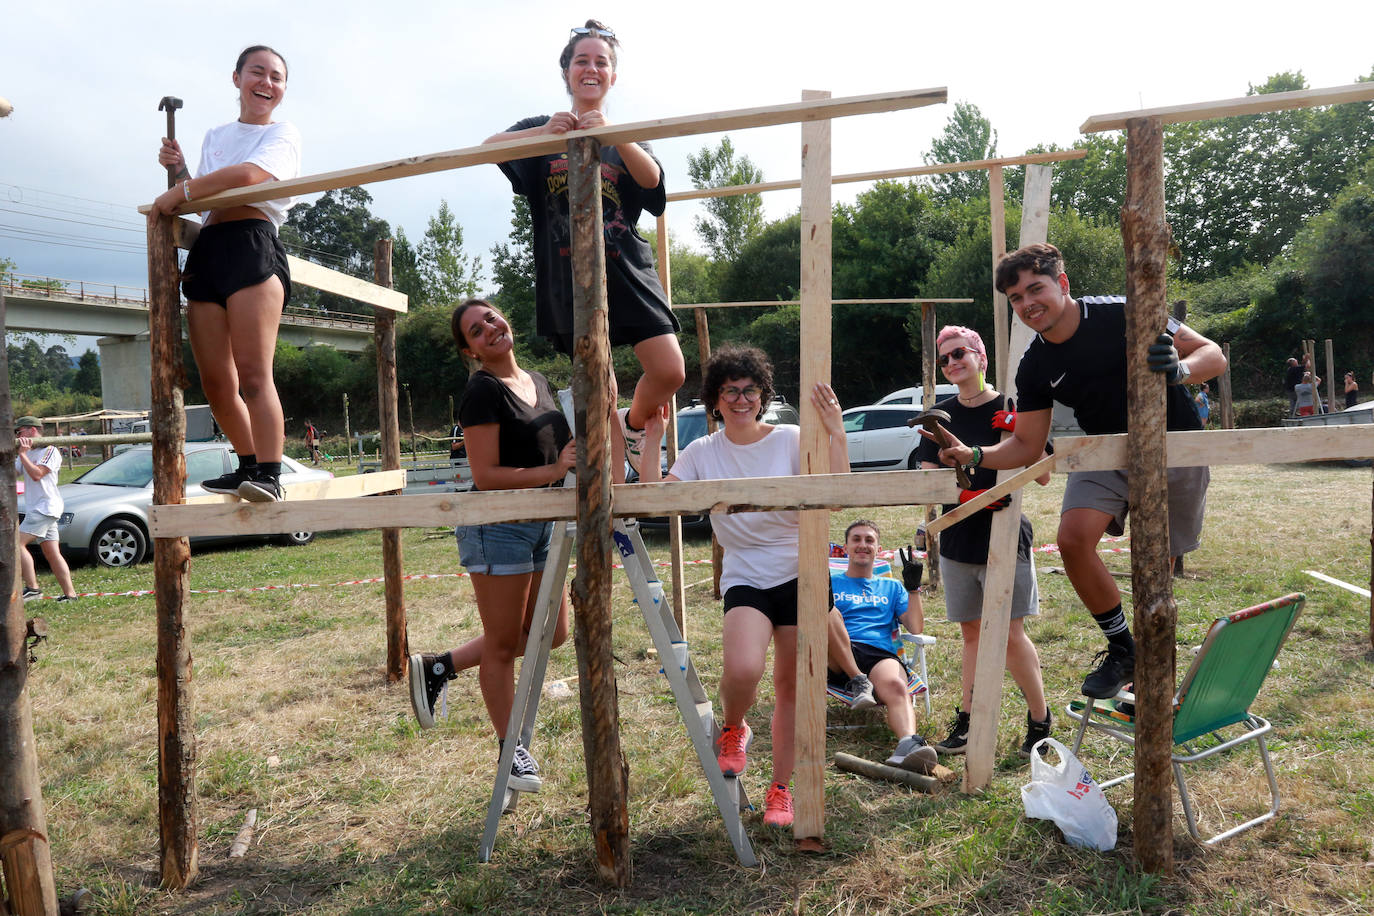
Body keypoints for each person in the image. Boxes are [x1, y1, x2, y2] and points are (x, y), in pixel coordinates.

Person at [925, 243, 1227, 701]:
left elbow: (1212, 355)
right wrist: (976, 456)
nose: (1027, 303)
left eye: (1035, 289)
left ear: (1062, 284)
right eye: (1016, 298)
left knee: (1155, 571)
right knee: (1072, 539)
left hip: (1172, 445)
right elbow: (1026, 444)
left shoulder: (1124, 312)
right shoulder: (1035, 364)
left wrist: (1180, 369)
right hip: (1103, 451)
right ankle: (1123, 647)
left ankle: (1154, 659)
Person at [639, 345, 847, 829]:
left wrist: (836, 431)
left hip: (802, 571)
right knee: (743, 668)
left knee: (792, 686)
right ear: (714, 399)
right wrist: (653, 440)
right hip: (746, 573)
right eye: (729, 391)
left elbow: (836, 496)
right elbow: (653, 503)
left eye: (749, 390)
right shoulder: (702, 452)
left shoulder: (792, 438)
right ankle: (734, 726)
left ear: (763, 395)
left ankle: (782, 790)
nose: (740, 399)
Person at [483, 20, 684, 477]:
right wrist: (546, 136)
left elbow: (653, 185)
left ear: (612, 76)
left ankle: (633, 427)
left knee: (670, 369)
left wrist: (614, 134)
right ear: (567, 71)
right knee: (599, 389)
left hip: (626, 270)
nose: (591, 68)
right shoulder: (541, 128)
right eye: (582, 60)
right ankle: (610, 492)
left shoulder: (625, 133)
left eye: (602, 62)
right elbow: (488, 148)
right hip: (568, 280)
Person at [408, 299, 575, 794]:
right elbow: (485, 475)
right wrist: (553, 472)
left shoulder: (539, 381)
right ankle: (511, 749)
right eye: (476, 331)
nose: (490, 329)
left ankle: (440, 666)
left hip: (544, 521)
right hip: (497, 524)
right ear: (471, 351)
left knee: (554, 633)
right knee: (503, 644)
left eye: (492, 318)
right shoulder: (481, 391)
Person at [150, 45, 302, 502]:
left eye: (276, 77)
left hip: (252, 243)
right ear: (236, 78)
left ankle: (272, 476)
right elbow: (206, 195)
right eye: (258, 72)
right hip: (209, 247)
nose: (267, 83)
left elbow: (251, 176)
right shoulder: (216, 134)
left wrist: (185, 189)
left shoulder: (284, 133)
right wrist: (181, 172)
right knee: (217, 381)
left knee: (255, 374)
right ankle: (249, 465)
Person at [914, 328, 1052, 759]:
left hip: (1006, 533)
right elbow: (924, 479)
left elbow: (1044, 473)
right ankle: (968, 723)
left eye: (960, 354)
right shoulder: (938, 416)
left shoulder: (1011, 406)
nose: (952, 363)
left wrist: (1014, 437)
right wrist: (960, 492)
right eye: (945, 359)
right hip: (959, 536)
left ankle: (1039, 720)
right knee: (971, 634)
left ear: (981, 357)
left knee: (1010, 634)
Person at [825, 519, 938, 771]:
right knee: (826, 610)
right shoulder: (831, 580)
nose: (863, 545)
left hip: (879, 654)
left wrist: (913, 588)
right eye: (856, 539)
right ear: (845, 547)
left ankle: (908, 745)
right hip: (835, 652)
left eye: (869, 540)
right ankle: (857, 680)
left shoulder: (891, 586)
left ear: (878, 548)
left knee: (898, 685)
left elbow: (915, 628)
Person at [14, 416, 78, 602]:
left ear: (32, 431)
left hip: (46, 508)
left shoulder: (50, 451)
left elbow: (37, 474)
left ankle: (33, 589)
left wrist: (23, 454)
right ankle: (70, 595)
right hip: (39, 508)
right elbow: (13, 472)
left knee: (17, 545)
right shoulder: (25, 453)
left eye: (19, 432)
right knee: (52, 553)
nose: (17, 436)